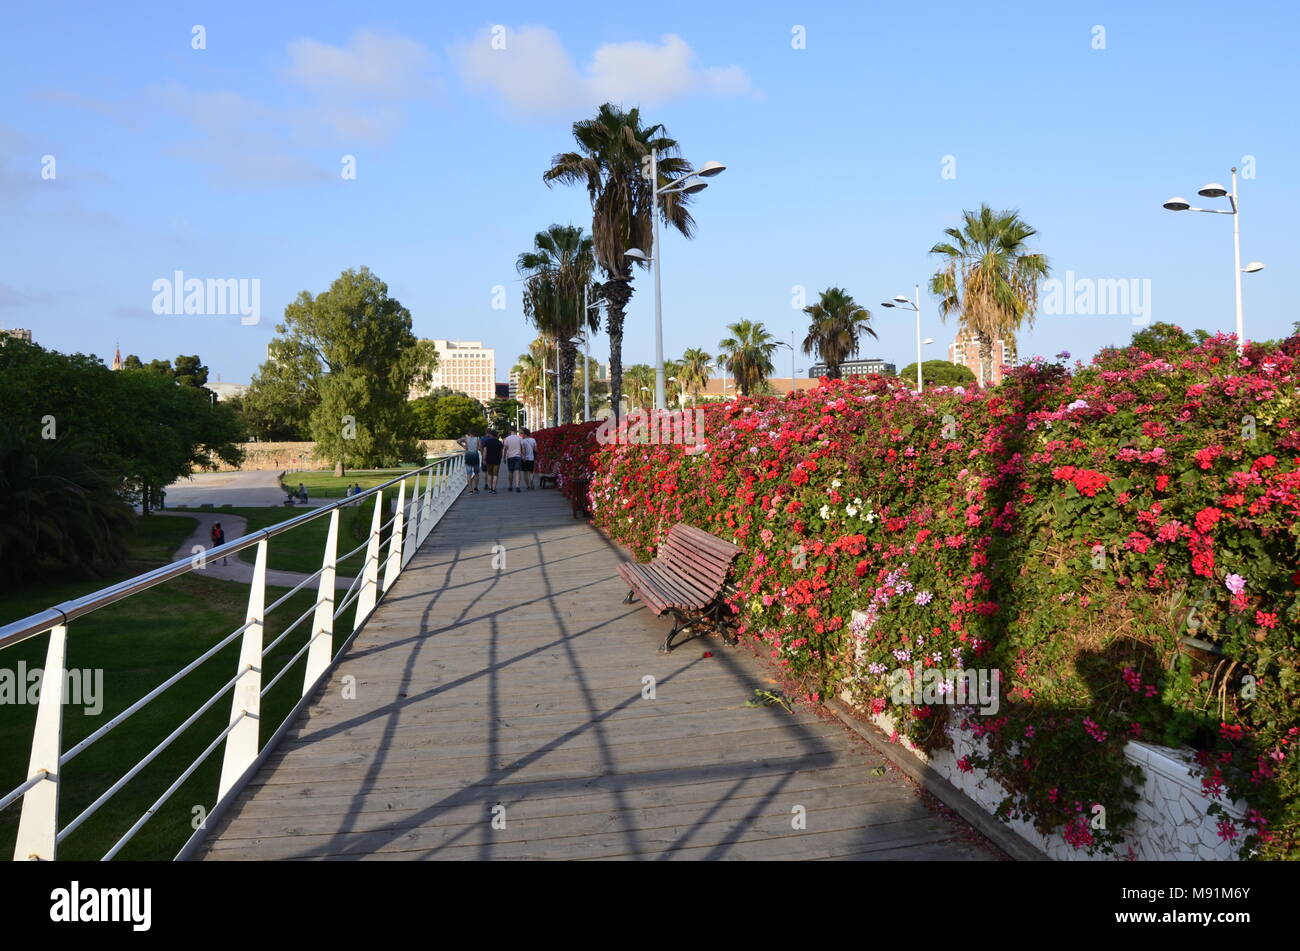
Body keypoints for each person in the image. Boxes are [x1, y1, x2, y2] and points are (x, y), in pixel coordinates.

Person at [480, 429, 504, 494]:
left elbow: (485, 451)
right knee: (495, 475)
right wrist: (500, 458)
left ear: (491, 435)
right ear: (496, 435)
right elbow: (501, 452)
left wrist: (484, 459)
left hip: (489, 460)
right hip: (496, 460)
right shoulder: (499, 443)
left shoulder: (487, 442)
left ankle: (490, 488)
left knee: (489, 474)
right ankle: (494, 489)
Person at [503, 427, 524, 493]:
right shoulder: (519, 438)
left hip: (510, 457)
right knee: (517, 471)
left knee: (510, 472)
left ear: (510, 431)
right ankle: (517, 486)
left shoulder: (507, 439)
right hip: (518, 456)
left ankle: (510, 486)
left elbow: (505, 449)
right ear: (515, 431)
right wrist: (523, 456)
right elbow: (522, 447)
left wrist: (504, 457)